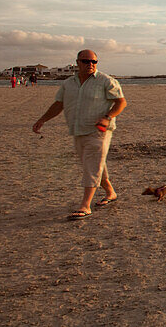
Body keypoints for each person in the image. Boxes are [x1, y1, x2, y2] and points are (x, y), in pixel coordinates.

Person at [32, 50, 127, 220]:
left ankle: (85, 205)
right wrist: (43, 119)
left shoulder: (106, 81)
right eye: (86, 61)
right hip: (78, 130)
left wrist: (107, 117)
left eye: (94, 61)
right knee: (93, 164)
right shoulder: (69, 83)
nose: (90, 64)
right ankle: (110, 192)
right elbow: (58, 104)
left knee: (92, 165)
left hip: (99, 131)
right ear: (77, 63)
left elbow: (121, 102)